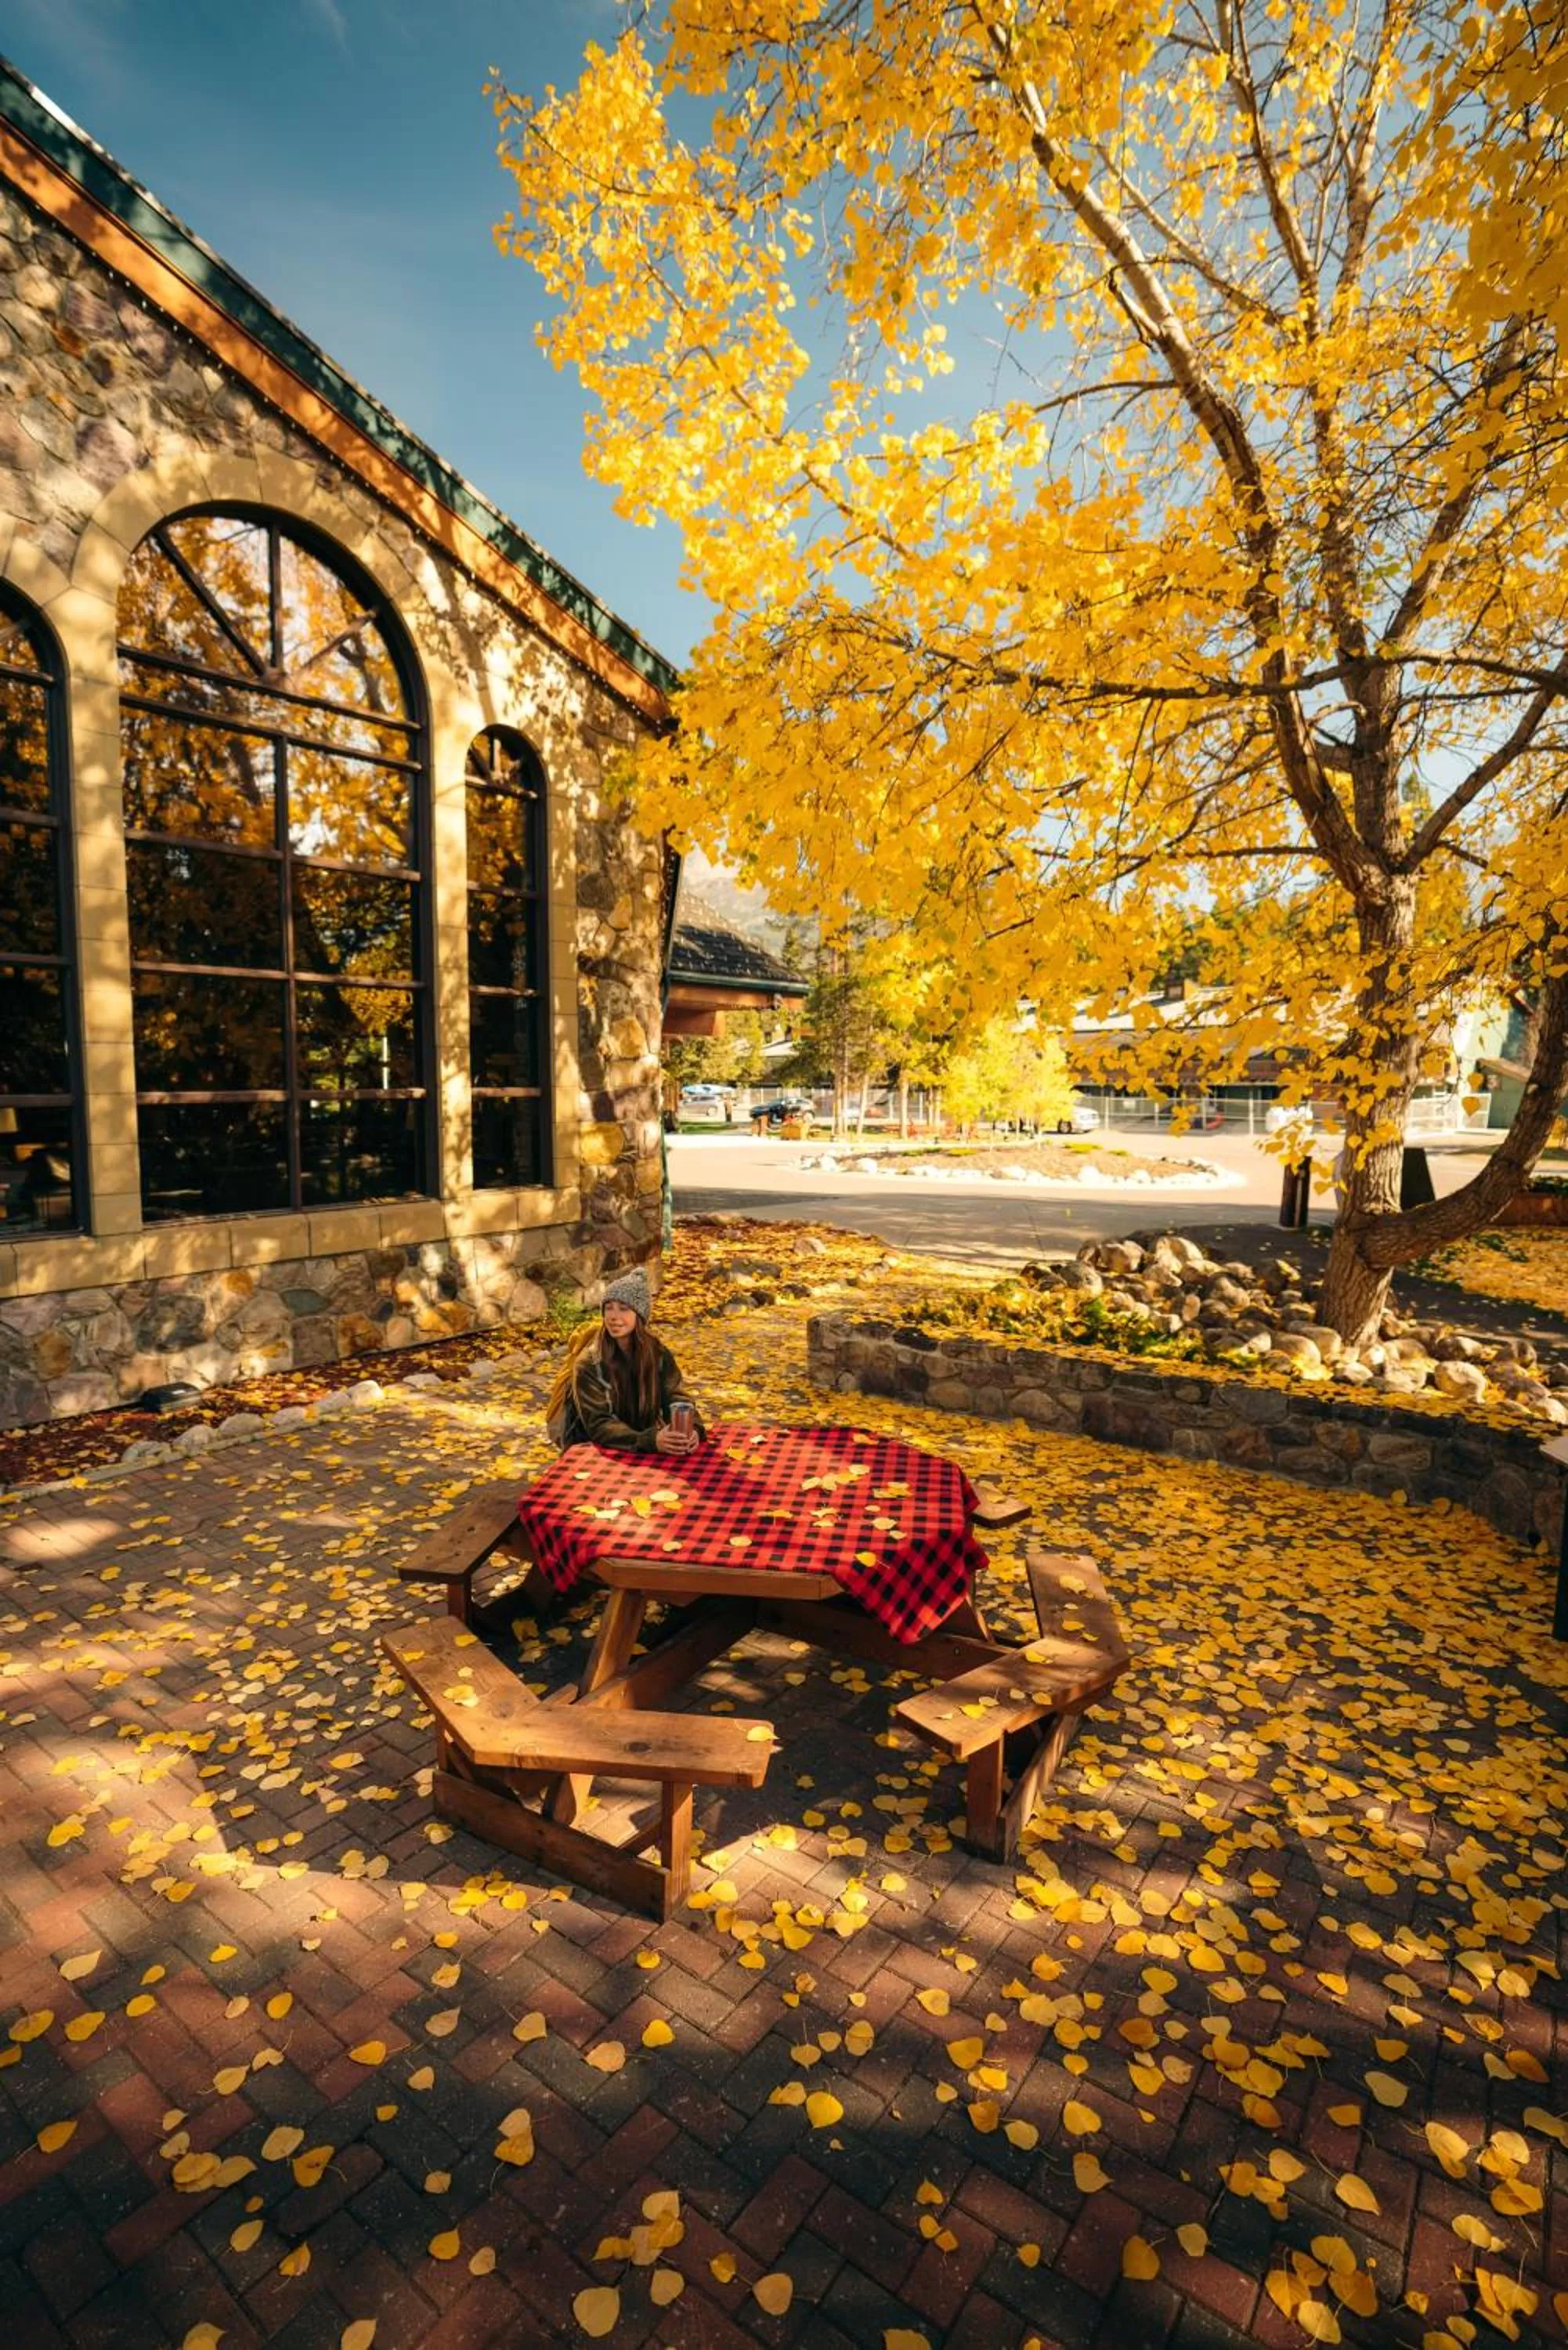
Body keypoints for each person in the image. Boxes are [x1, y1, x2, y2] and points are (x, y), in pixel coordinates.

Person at [544, 1267, 704, 1454]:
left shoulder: (658, 1354)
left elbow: (675, 1396)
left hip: (640, 1443)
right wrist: (650, 1440)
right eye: (609, 1308)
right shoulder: (590, 1363)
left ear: (640, 1316)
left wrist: (693, 1429)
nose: (614, 1317)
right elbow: (598, 1424)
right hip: (594, 1448)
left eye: (624, 1308)